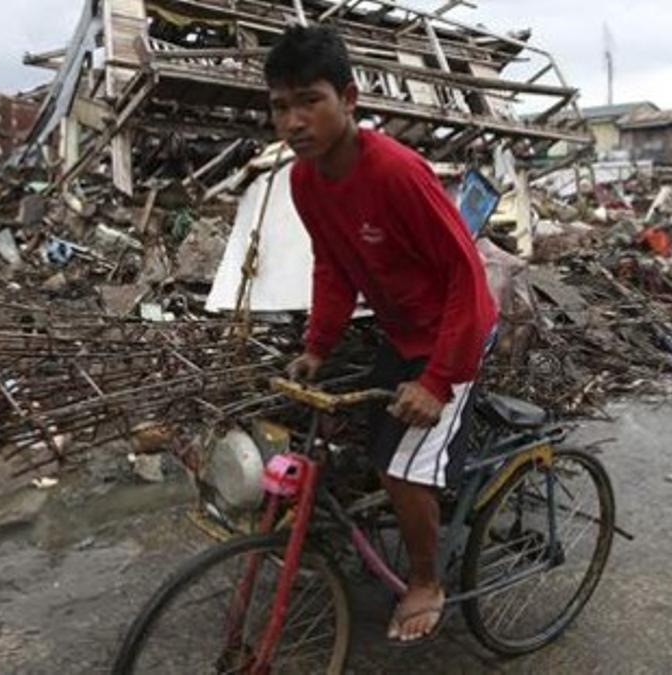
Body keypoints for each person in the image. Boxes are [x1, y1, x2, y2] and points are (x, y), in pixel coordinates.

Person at [264, 26, 497, 643]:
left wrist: (439, 379)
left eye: (309, 100)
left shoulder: (397, 172)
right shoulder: (305, 180)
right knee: (362, 443)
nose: (293, 121)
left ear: (349, 98)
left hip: (456, 331)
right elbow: (333, 265)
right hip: (401, 330)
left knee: (400, 468)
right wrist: (317, 345)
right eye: (279, 106)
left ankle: (425, 580)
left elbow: (466, 276)